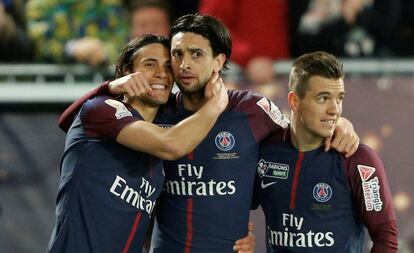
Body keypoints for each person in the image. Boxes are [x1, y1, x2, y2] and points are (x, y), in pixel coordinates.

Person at [57, 14, 359, 253]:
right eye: (178, 54)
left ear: (220, 61)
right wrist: (110, 86)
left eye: (196, 54)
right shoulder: (158, 114)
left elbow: (297, 141)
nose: (184, 64)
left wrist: (338, 124)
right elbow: (79, 119)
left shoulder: (252, 109)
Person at [46, 34, 231, 253]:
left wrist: (235, 237)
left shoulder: (156, 147)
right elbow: (172, 144)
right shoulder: (101, 108)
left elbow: (147, 231)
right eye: (149, 65)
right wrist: (215, 105)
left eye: (167, 67)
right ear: (126, 71)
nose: (161, 74)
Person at [254, 51, 398, 252]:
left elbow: (386, 236)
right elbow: (233, 202)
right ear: (294, 101)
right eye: (323, 99)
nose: (335, 110)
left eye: (339, 98)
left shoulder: (359, 159)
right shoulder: (265, 151)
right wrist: (242, 235)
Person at [26, 0, 128, 65]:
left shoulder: (109, 4)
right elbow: (39, 43)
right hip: (50, 86)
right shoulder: (40, 4)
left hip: (102, 86)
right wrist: (71, 48)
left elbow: (123, 41)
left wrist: (105, 52)